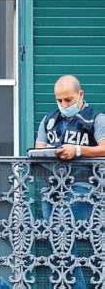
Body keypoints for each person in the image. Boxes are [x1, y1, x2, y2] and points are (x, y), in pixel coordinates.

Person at [35, 75, 105, 288]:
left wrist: (77, 150)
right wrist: (51, 153)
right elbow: (39, 150)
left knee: (66, 232)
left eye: (68, 100)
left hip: (83, 187)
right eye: (60, 100)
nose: (64, 105)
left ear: (80, 94)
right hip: (51, 189)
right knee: (60, 244)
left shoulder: (96, 118)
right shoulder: (49, 120)